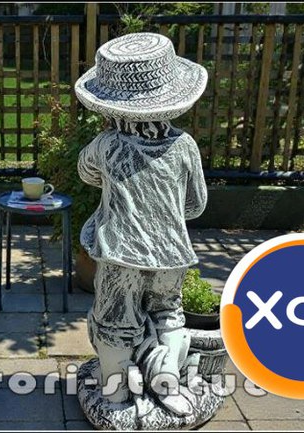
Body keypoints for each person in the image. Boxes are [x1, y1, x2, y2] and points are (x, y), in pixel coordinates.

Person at [74, 32, 208, 415]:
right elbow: (196, 204)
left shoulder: (106, 145)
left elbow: (86, 173)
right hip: (171, 254)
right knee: (169, 313)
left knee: (115, 320)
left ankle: (115, 393)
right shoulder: (185, 146)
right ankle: (169, 381)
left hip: (121, 254)